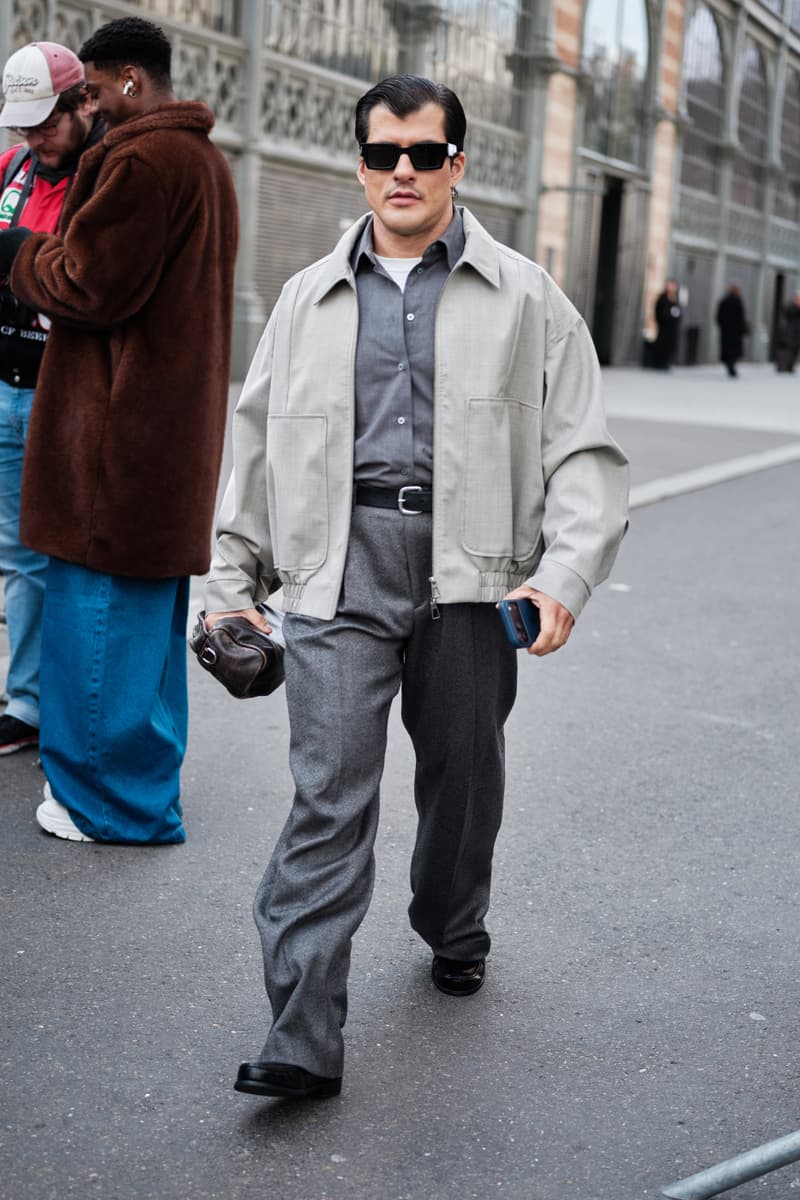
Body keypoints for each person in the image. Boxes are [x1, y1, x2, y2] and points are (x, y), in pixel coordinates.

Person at [203, 74, 629, 1100]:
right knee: (326, 803)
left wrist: (564, 573)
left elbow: (584, 452)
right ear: (357, 163)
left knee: (461, 782)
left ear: (457, 164)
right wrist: (228, 584)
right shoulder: (305, 299)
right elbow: (254, 446)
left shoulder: (525, 295)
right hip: (333, 575)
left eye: (424, 153)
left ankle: (451, 922)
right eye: (383, 152)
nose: (402, 170)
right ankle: (302, 1034)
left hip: (470, 580)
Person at [0, 17, 238, 842]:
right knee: (142, 643)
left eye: (95, 91)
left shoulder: (141, 159)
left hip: (114, 445)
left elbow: (87, 287)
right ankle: (137, 794)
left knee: (96, 628)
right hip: (160, 443)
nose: (91, 107)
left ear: (131, 82)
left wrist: (16, 252)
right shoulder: (204, 162)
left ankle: (112, 808)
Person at [0, 42, 103, 757]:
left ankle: (77, 702)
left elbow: (87, 279)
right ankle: (27, 702)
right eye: (24, 123)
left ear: (82, 104)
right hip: (5, 385)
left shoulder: (105, 180)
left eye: (46, 122)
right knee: (17, 554)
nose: (35, 137)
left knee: (77, 552)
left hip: (65, 395)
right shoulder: (11, 169)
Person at [715, 283, 748, 377]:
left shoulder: (724, 301)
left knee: (728, 351)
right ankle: (731, 367)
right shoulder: (738, 301)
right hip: (735, 332)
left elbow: (718, 317)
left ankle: (730, 366)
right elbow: (741, 318)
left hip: (726, 331)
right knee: (733, 351)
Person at [652, 278, 681, 369]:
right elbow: (658, 311)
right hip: (664, 325)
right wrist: (660, 320)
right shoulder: (662, 298)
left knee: (670, 345)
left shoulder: (675, 299)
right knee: (661, 344)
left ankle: (666, 362)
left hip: (672, 327)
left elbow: (678, 312)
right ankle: (659, 362)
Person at [775, 291, 800, 372]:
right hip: (789, 332)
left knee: (794, 351)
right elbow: (785, 312)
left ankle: (790, 366)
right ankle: (782, 366)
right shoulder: (790, 306)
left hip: (796, 333)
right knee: (786, 350)